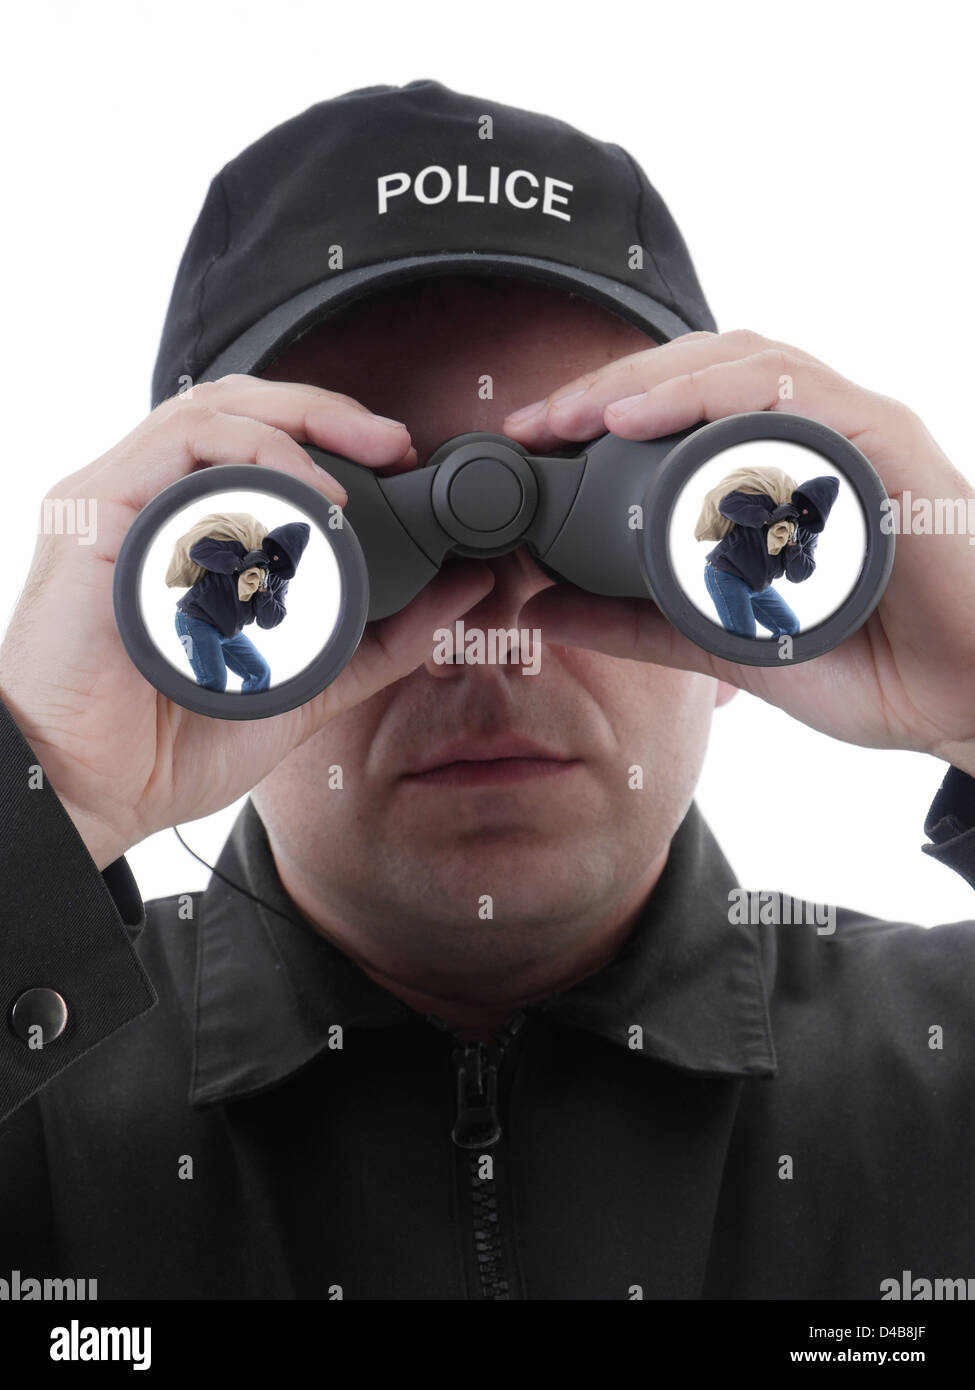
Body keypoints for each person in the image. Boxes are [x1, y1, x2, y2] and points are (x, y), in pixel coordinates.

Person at [0, 80, 974, 1302]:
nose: (490, 630)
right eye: (353, 533)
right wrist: (42, 790)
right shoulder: (35, 1110)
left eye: (593, 504)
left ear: (709, 557)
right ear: (180, 564)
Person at [171, 519, 310, 692]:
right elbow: (197, 552)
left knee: (260, 673)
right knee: (214, 681)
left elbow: (268, 622)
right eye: (275, 548)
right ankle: (205, 718)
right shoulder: (244, 547)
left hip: (228, 630)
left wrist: (264, 592)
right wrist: (239, 563)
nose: (275, 557)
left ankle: (246, 718)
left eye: (282, 556)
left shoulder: (279, 581)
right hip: (194, 620)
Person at [700, 472, 839, 638]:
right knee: (744, 636)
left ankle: (767, 663)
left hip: (758, 583)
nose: (803, 511)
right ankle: (743, 662)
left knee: (790, 628)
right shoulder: (773, 501)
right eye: (804, 502)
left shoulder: (809, 535)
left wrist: (794, 545)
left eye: (811, 509)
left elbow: (798, 575)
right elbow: (726, 506)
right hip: (726, 573)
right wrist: (769, 517)